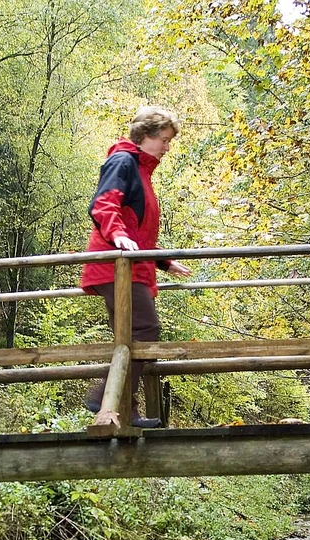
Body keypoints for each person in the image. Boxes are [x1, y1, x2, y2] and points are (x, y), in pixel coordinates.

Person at [80, 106, 191, 428]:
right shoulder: (123, 161)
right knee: (145, 332)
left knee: (129, 340)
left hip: (132, 266)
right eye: (165, 140)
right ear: (146, 136)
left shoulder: (141, 169)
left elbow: (138, 230)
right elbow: (104, 205)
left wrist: (163, 261)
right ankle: (104, 396)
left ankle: (124, 412)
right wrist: (116, 234)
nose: (168, 147)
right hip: (115, 266)